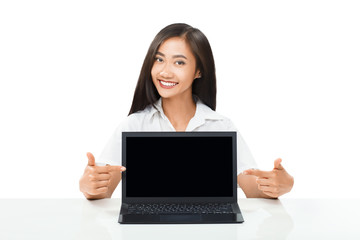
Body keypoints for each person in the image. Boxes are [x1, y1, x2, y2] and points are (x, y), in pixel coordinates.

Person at [79, 23, 294, 200]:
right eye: (159, 59)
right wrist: (88, 185)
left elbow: (251, 187)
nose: (165, 71)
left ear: (199, 71)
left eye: (179, 62)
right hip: (147, 229)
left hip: (208, 228)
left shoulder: (220, 126)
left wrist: (278, 185)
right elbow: (103, 189)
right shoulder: (135, 125)